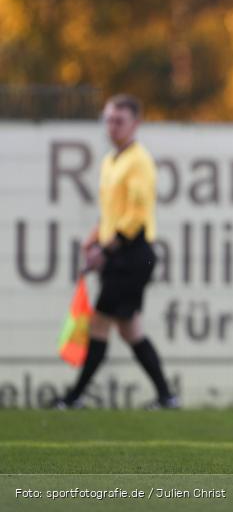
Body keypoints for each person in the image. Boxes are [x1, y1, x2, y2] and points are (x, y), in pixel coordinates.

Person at [57, 94, 178, 410]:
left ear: (135, 124)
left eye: (119, 120)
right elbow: (112, 212)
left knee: (99, 323)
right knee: (129, 330)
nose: (112, 126)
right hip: (120, 252)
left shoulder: (139, 161)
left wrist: (104, 251)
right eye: (108, 119)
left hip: (134, 254)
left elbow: (135, 219)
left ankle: (74, 397)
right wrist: (93, 237)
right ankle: (166, 396)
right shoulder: (111, 160)